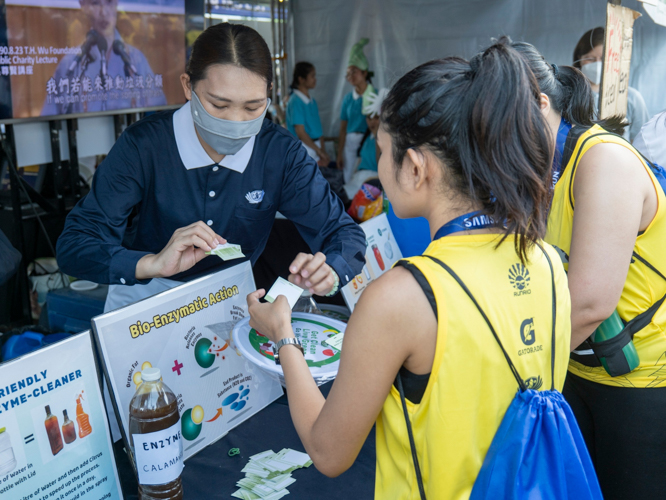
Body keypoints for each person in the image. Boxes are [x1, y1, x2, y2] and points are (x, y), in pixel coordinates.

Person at [247, 42, 571, 498]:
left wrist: (283, 335)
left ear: (415, 167)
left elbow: (328, 451)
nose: (378, 166)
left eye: (382, 150)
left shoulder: (402, 295)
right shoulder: (549, 261)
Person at [56, 23, 366, 314]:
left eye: (253, 107)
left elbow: (343, 232)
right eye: (218, 105)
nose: (235, 122)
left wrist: (331, 270)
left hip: (230, 302)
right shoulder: (144, 146)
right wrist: (151, 263)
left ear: (269, 94)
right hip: (145, 303)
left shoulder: (278, 153)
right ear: (188, 86)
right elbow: (76, 245)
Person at [512, 40, 666, 500]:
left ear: (540, 104)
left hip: (641, 381)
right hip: (577, 369)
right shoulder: (539, 165)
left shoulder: (603, 159)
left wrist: (503, 370)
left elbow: (591, 302)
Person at [41, 0, 166, 116]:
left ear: (117, 3)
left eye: (109, 2)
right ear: (84, 6)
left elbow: (159, 110)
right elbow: (50, 115)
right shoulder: (70, 63)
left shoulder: (136, 59)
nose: (103, 12)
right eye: (95, 3)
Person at [572, 27, 650, 142]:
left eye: (604, 58)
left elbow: (641, 143)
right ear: (579, 58)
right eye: (591, 59)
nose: (598, 64)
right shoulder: (568, 95)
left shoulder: (631, 98)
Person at [337, 38, 374, 183]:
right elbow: (343, 128)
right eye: (348, 74)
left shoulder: (374, 95)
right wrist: (339, 153)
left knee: (367, 178)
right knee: (349, 178)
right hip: (350, 143)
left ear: (364, 72)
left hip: (369, 142)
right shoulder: (347, 99)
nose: (350, 76)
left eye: (354, 72)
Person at [343, 88, 386, 198]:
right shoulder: (366, 138)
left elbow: (380, 162)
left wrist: (378, 136)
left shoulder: (384, 139)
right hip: (358, 177)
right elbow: (360, 160)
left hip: (371, 179)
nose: (372, 122)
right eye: (369, 118)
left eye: (376, 118)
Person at [286, 62, 329, 166]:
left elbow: (319, 129)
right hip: (305, 148)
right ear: (301, 79)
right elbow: (300, 132)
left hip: (315, 147)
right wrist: (319, 151)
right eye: (312, 76)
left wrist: (322, 150)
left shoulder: (312, 101)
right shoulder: (295, 101)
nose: (315, 79)